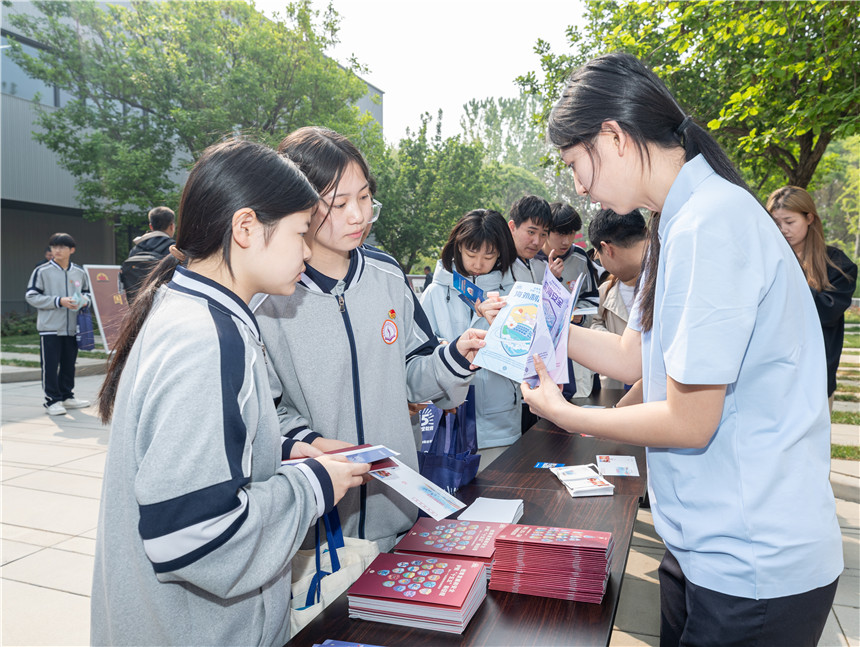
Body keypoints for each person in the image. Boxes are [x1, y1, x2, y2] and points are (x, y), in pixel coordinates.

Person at [522, 52, 841, 646]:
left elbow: (691, 420)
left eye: (575, 163)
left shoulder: (709, 222)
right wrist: (533, 330)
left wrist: (567, 415)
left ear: (613, 137)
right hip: (705, 546)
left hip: (752, 563)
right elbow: (630, 356)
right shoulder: (678, 221)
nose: (579, 185)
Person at [90, 139, 369, 646]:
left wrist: (286, 449)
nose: (308, 251)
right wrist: (313, 483)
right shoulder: (208, 339)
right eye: (300, 232)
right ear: (245, 228)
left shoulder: (191, 311)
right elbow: (196, 539)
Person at [253, 126, 485, 551]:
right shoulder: (267, 298)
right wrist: (309, 442)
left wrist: (453, 357)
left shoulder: (386, 274)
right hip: (316, 534)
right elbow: (263, 416)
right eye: (339, 203)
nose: (357, 215)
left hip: (398, 513)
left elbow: (412, 373)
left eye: (364, 198)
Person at [420, 208, 520, 467]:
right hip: (446, 417)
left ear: (501, 253)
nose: (478, 263)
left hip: (499, 421)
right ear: (458, 247)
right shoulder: (434, 293)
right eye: (471, 253)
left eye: (489, 255)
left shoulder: (513, 295)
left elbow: (524, 355)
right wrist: (450, 349)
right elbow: (419, 352)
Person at [767, 185, 857, 409]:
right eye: (776, 223)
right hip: (770, 377)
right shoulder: (765, 260)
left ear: (809, 218)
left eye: (789, 222)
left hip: (815, 379)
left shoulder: (838, 265)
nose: (782, 230)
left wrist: (786, 272)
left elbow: (825, 313)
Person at [536, 201, 602, 398]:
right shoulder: (532, 258)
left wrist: (579, 317)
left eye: (571, 233)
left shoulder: (581, 258)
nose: (566, 241)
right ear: (547, 231)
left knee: (578, 398)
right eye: (560, 233)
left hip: (573, 346)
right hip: (541, 348)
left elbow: (591, 299)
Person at [25, 233, 91, 416]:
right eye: (54, 247)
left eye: (61, 247)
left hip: (72, 327)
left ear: (72, 250)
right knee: (51, 366)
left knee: (69, 363)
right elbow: (31, 296)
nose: (57, 250)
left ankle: (67, 396)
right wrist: (58, 301)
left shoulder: (79, 272)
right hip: (50, 328)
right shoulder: (42, 271)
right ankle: (52, 401)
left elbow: (87, 294)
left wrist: (84, 301)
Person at [588, 208, 649, 389]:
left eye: (599, 255)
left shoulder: (658, 283)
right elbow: (595, 322)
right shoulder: (606, 290)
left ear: (607, 249)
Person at [119, 206, 176, 304]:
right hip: (165, 305)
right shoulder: (174, 249)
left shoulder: (135, 249)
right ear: (172, 226)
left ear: (151, 226)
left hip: (138, 307)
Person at [507, 194, 552, 283]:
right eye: (531, 232)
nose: (537, 242)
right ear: (512, 227)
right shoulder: (495, 264)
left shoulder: (535, 263)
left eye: (543, 234)